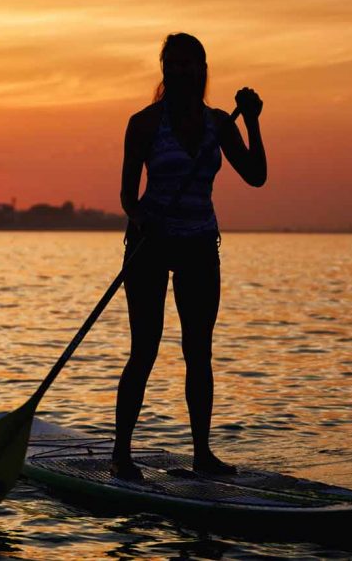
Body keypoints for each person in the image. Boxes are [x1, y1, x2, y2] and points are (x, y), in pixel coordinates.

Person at [111, 33, 267, 480]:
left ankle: (202, 454)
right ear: (164, 70)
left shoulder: (220, 123)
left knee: (199, 352)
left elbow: (256, 176)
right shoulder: (143, 124)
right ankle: (121, 455)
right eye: (172, 64)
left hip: (199, 245)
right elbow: (127, 196)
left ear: (202, 70)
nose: (179, 71)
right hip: (150, 246)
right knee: (144, 349)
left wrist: (252, 121)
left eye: (187, 64)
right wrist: (140, 218)